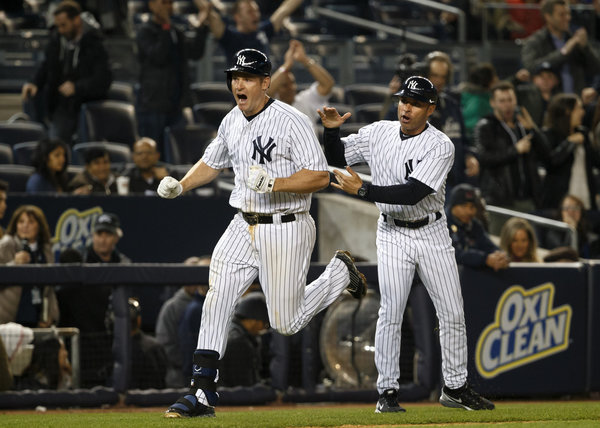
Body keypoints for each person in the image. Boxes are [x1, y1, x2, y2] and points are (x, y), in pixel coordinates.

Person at [157, 48, 367, 418]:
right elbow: (211, 162)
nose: (239, 83)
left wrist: (274, 182)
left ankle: (339, 274)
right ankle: (201, 392)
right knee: (218, 295)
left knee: (285, 323)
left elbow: (320, 176)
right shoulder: (231, 121)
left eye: (248, 77)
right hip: (243, 222)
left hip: (285, 224)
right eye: (235, 77)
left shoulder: (292, 120)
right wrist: (182, 185)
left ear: (265, 82)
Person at [319, 76, 494, 413]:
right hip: (392, 233)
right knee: (391, 311)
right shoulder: (379, 132)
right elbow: (337, 155)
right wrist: (330, 131)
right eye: (403, 100)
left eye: (415, 102)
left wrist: (364, 191)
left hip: (432, 233)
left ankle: (455, 388)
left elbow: (414, 192)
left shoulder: (441, 145)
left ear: (430, 108)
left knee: (452, 313)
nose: (406, 107)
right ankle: (387, 393)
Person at [20, 1, 112, 144]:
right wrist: (34, 82)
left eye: (64, 25)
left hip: (90, 107)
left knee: (85, 151)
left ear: (76, 20)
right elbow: (46, 66)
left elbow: (104, 79)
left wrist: (77, 87)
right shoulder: (57, 40)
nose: (60, 30)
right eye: (58, 26)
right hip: (62, 106)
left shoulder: (96, 43)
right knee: (55, 147)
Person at [136, 0, 210, 152]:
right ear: (152, 5)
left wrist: (201, 27)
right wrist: (165, 27)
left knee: (177, 151)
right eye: (164, 3)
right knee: (155, 152)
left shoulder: (176, 31)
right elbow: (158, 56)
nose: (168, 7)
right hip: (153, 105)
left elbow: (195, 53)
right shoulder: (145, 31)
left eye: (170, 3)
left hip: (176, 105)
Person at [473, 81, 549, 217]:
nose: (507, 105)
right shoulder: (486, 126)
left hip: (528, 199)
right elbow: (484, 158)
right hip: (501, 201)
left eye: (510, 100)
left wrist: (533, 128)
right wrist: (515, 150)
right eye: (502, 101)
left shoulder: (523, 125)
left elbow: (547, 154)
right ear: (493, 103)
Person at [521, 0, 600, 97]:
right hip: (549, 102)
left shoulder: (574, 39)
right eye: (562, 15)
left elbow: (596, 68)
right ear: (548, 17)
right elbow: (531, 67)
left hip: (576, 102)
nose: (567, 18)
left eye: (568, 14)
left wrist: (585, 48)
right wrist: (564, 52)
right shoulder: (535, 42)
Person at [156, 255, 211, 388]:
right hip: (179, 375)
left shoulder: (209, 303)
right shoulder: (172, 307)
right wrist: (189, 364)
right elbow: (165, 344)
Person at [0, 205, 59, 328]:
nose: (25, 226)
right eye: (21, 222)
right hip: (10, 318)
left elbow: (50, 289)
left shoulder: (46, 249)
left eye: (31, 222)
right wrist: (14, 264)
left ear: (39, 226)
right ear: (15, 225)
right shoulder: (7, 244)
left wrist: (50, 314)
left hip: (37, 316)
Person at [541, 93, 600, 210]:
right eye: (579, 108)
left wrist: (587, 143)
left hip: (585, 197)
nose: (583, 112)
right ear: (567, 111)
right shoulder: (549, 134)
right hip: (561, 201)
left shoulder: (583, 133)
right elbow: (551, 162)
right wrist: (569, 142)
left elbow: (597, 162)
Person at [195, 0, 303, 62]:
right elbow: (208, 13)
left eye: (256, 11)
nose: (255, 15)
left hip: (264, 92)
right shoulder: (230, 37)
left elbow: (285, 9)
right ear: (238, 17)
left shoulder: (264, 31)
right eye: (250, 11)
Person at [267, 39, 335, 124]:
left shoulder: (305, 100)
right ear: (277, 89)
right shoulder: (272, 105)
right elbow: (265, 93)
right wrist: (287, 65)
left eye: (292, 83)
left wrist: (304, 59)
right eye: (285, 85)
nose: (290, 88)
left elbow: (327, 85)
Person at [446, 184, 510, 271]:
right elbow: (454, 254)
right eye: (464, 206)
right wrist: (485, 259)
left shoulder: (474, 225)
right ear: (453, 206)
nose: (469, 211)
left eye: (472, 207)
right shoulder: (442, 225)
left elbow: (488, 245)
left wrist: (500, 256)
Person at [218, 291, 269, 387]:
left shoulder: (230, 330)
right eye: (264, 323)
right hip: (232, 399)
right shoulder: (238, 343)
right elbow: (243, 386)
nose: (264, 328)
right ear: (254, 320)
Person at [125, 298, 168, 390]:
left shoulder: (121, 349)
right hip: (157, 399)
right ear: (139, 320)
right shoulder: (155, 345)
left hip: (136, 400)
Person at [545, 194, 600, 259]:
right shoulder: (554, 231)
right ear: (561, 212)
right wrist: (571, 229)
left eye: (575, 208)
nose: (571, 212)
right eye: (567, 208)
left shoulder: (589, 234)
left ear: (581, 212)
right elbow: (564, 255)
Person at [513, 61, 561, 128]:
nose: (545, 80)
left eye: (549, 76)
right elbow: (503, 90)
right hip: (530, 133)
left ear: (556, 80)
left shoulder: (560, 99)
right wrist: (515, 80)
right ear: (534, 79)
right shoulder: (525, 93)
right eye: (541, 76)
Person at [458, 62, 498, 140]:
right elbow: (472, 130)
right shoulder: (479, 103)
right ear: (489, 81)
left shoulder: (468, 95)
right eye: (494, 76)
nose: (497, 79)